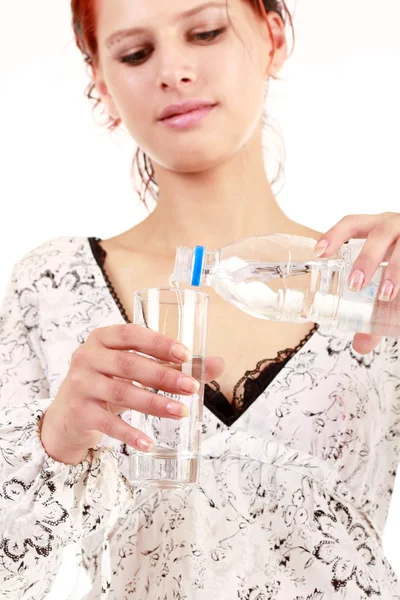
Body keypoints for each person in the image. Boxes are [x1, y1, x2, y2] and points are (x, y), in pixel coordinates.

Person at [1, 0, 400, 598]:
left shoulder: (375, 284)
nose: (174, 71)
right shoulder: (53, 289)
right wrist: (54, 438)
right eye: (136, 53)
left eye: (206, 32)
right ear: (101, 84)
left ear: (272, 38)